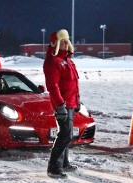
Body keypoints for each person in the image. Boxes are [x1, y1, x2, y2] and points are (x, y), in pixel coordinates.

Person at [43, 29, 80, 178]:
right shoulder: (53, 61)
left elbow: (73, 84)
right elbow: (53, 86)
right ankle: (53, 168)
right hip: (62, 104)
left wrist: (76, 102)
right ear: (55, 43)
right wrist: (60, 105)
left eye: (66, 41)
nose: (65, 43)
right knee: (64, 134)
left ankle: (64, 163)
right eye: (62, 41)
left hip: (70, 103)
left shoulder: (67, 61)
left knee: (68, 134)